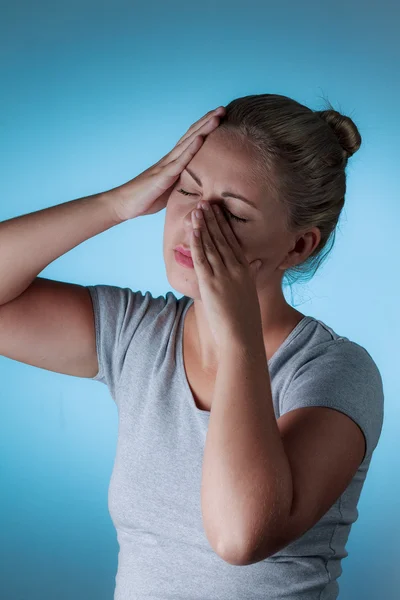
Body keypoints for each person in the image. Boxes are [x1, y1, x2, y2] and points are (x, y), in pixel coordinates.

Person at [0, 95, 384, 599]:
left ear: (297, 246)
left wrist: (238, 335)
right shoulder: (139, 333)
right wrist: (116, 203)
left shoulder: (334, 370)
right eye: (187, 189)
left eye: (233, 213)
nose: (194, 223)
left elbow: (239, 535)